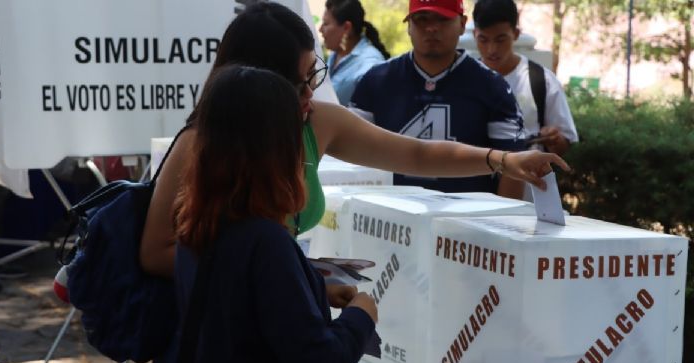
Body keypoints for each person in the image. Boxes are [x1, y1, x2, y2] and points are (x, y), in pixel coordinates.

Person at [140, 3, 568, 293]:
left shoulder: (315, 124)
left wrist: (504, 160)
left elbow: (415, 153)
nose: (312, 93)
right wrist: (286, 277)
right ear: (257, 80)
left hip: (283, 330)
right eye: (300, 81)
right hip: (218, 350)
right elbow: (156, 253)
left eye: (315, 76)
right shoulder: (198, 144)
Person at [154, 64, 377, 363]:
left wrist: (314, 287)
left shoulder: (196, 224)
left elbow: (239, 310)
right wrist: (361, 315)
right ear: (278, 149)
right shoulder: (266, 242)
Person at [349, 0, 528, 198]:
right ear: (409, 25)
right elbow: (349, 151)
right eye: (421, 19)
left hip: (465, 219)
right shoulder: (376, 80)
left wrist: (501, 223)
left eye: (442, 19)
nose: (431, 28)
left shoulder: (492, 86)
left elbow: (513, 167)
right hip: (390, 216)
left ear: (462, 24)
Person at [473, 0, 578, 159]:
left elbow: (565, 144)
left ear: (515, 34)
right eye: (483, 40)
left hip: (532, 182)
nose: (491, 49)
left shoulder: (542, 80)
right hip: (479, 181)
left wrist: (554, 139)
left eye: (500, 40)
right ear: (474, 34)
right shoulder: (466, 80)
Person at [319, 0, 389, 105]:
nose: (320, 29)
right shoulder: (336, 53)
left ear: (346, 28)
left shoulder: (370, 65)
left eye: (326, 23)